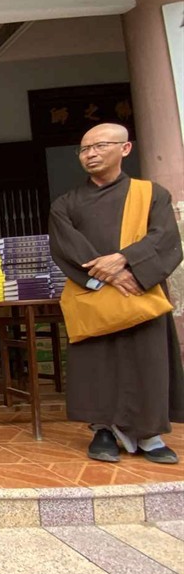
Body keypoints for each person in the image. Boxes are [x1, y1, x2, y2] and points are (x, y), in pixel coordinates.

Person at [49, 123, 183, 464]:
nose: (90, 154)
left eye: (100, 146)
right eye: (84, 149)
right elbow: (66, 247)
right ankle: (103, 430)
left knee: (147, 361)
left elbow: (165, 238)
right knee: (98, 364)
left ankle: (150, 434)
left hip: (140, 291)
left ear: (125, 149)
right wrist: (107, 276)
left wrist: (125, 260)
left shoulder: (151, 194)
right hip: (94, 296)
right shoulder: (66, 204)